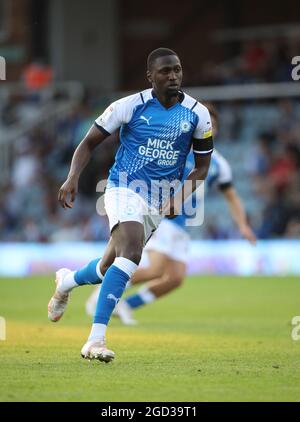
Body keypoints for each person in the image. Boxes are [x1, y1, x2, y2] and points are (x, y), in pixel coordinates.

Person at [47, 48, 214, 363]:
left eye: (177, 70)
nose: (173, 76)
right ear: (150, 75)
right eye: (165, 71)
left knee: (107, 266)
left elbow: (202, 167)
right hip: (123, 188)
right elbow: (88, 143)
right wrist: (72, 177)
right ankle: (95, 339)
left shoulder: (197, 114)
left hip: (157, 199)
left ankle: (66, 281)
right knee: (133, 253)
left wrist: (180, 196)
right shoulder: (128, 106)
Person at [85, 104, 257, 325]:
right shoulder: (178, 148)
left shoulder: (219, 164)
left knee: (175, 278)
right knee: (155, 269)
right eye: (207, 123)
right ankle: (103, 294)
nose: (209, 128)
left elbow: (232, 196)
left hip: (183, 225)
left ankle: (128, 304)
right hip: (163, 216)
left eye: (213, 125)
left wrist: (243, 225)